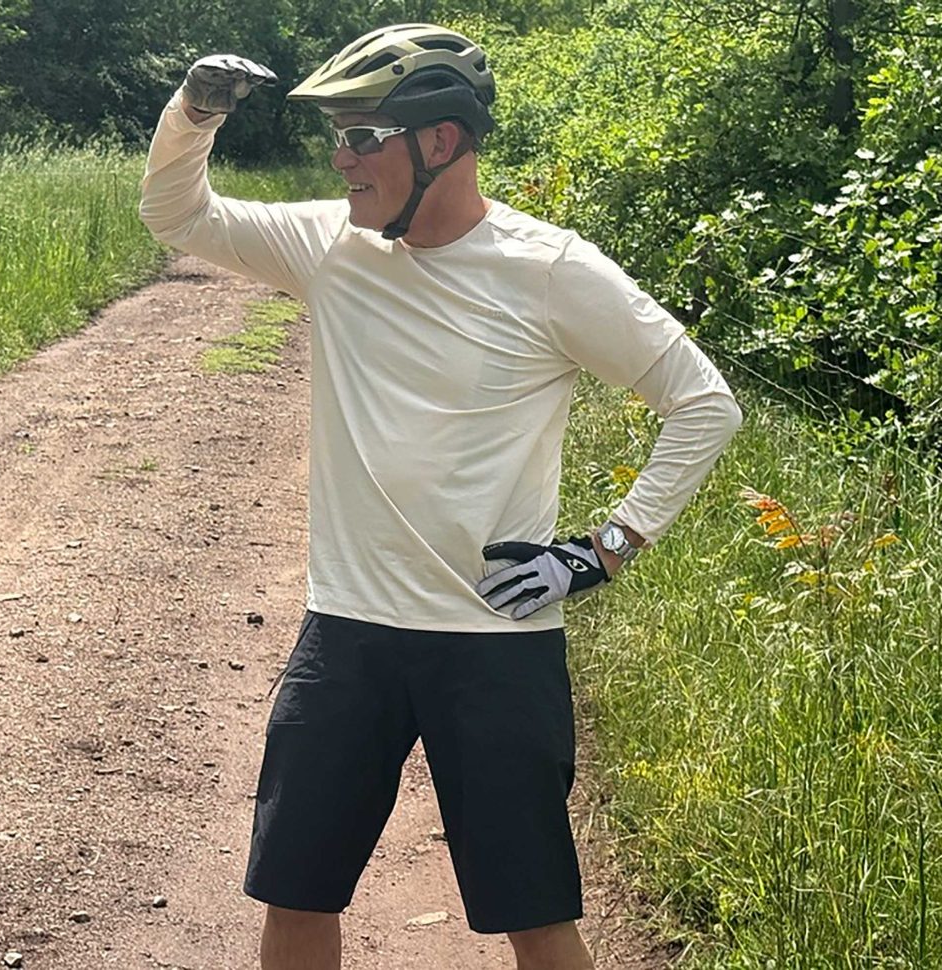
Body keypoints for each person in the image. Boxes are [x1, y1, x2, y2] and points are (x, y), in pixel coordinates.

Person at [140, 24, 742, 970]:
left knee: (534, 916)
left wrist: (604, 547)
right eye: (337, 136)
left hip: (495, 647)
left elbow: (703, 404)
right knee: (294, 895)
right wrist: (194, 113)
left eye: (362, 135)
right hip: (346, 633)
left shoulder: (549, 269)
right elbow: (181, 216)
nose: (341, 158)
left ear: (441, 142)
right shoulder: (330, 246)